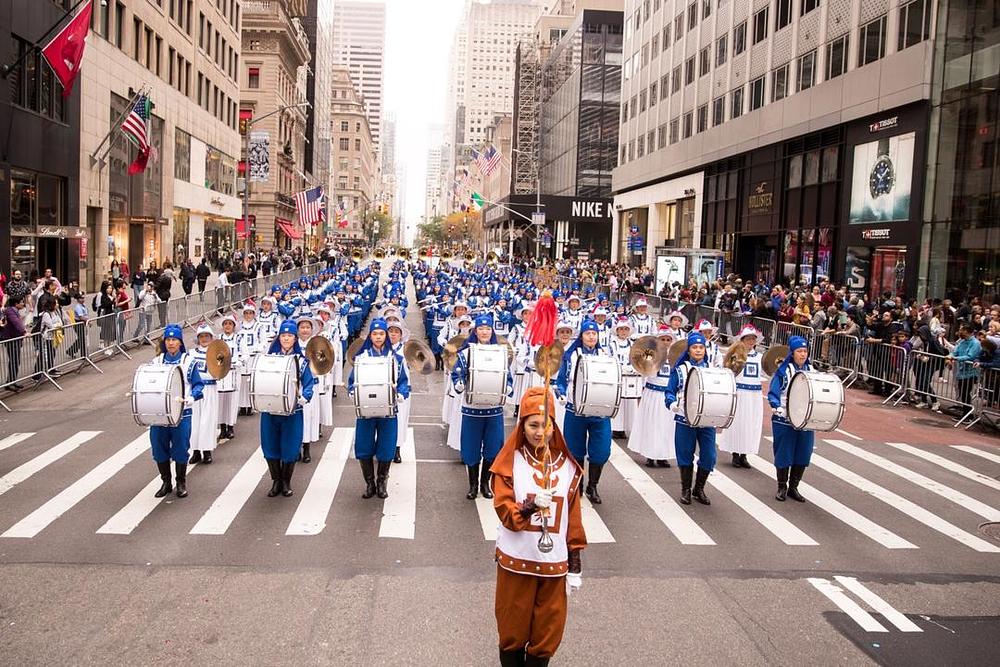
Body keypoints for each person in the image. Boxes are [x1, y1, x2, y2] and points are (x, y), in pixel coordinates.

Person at [491, 386, 586, 666]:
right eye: (533, 425)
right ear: (522, 426)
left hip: (554, 564)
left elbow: (574, 519)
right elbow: (505, 511)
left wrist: (575, 563)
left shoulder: (568, 468)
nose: (539, 432)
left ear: (554, 427)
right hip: (516, 561)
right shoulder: (510, 463)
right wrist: (530, 505)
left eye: (546, 425)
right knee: (512, 630)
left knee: (547, 633)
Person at [452, 314, 512, 500]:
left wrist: (507, 387)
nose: (484, 332)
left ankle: (485, 483)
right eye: (481, 329)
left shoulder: (500, 352)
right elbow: (457, 374)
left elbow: (507, 376)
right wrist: (459, 383)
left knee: (492, 448)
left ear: (492, 331)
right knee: (471, 448)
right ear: (475, 331)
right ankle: (473, 485)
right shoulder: (466, 352)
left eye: (487, 329)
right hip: (472, 409)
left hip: (493, 409)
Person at [348, 319, 411, 499]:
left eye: (381, 334)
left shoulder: (396, 359)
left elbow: (404, 382)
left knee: (386, 446)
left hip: (388, 410)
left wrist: (401, 393)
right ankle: (369, 483)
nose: (378, 337)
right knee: (364, 446)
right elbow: (353, 381)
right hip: (366, 411)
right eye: (375, 334)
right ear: (370, 336)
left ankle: (382, 481)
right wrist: (353, 392)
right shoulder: (361, 358)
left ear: (386, 336)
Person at [555, 319, 611, 505]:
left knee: (601, 451)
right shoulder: (571, 354)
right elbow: (561, 380)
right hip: (576, 409)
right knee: (574, 449)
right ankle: (577, 485)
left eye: (594, 333)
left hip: (599, 409)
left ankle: (592, 485)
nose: (591, 336)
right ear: (582, 336)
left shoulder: (605, 354)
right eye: (588, 333)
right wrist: (561, 394)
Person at [260, 319, 317, 498]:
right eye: (283, 335)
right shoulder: (268, 358)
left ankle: (286, 481)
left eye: (290, 336)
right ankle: (275, 480)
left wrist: (304, 397)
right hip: (271, 409)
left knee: (290, 446)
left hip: (293, 410)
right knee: (270, 445)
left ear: (295, 338)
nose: (286, 339)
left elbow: (308, 384)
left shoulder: (301, 361)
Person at [149, 325, 205, 498]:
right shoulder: (157, 361)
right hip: (160, 413)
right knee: (158, 447)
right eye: (168, 340)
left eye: (174, 340)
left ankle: (181, 482)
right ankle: (166, 482)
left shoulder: (189, 361)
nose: (171, 343)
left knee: (181, 448)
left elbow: (198, 385)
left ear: (180, 342)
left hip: (182, 412)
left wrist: (191, 397)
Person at [665, 331, 717, 506]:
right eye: (694, 347)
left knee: (709, 455)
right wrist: (672, 404)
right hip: (684, 417)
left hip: (706, 418)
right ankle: (686, 489)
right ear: (688, 350)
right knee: (685, 453)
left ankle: (699, 488)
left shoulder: (711, 371)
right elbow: (670, 391)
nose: (698, 350)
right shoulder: (680, 370)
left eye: (701, 347)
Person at [768, 336, 815, 502]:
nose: (803, 354)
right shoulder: (783, 371)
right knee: (784, 452)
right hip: (785, 418)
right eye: (799, 351)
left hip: (805, 419)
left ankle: (794, 487)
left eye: (805, 351)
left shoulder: (812, 371)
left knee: (803, 453)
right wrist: (776, 407)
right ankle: (782, 486)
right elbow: (773, 393)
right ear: (792, 353)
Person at [626, 325, 676, 467]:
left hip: (667, 395)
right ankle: (649, 454)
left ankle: (662, 455)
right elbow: (641, 369)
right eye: (662, 339)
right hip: (652, 393)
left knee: (666, 426)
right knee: (651, 424)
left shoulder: (675, 356)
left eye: (668, 339)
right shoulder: (649, 353)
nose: (665, 342)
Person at [718, 325, 766, 469]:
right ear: (742, 340)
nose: (751, 341)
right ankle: (735, 454)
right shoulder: (736, 355)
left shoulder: (760, 357)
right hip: (740, 393)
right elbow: (727, 370)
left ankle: (744, 454)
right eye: (748, 338)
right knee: (737, 423)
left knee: (751, 424)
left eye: (753, 339)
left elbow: (766, 372)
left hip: (754, 395)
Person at [187, 323, 221, 465]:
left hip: (210, 389)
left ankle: (207, 451)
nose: (204, 339)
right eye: (202, 336)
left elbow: (221, 372)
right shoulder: (191, 353)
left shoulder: (217, 353)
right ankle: (195, 451)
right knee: (194, 420)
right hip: (195, 390)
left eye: (207, 336)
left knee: (207, 420)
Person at [216, 314, 240, 440]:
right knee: (220, 400)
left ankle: (230, 426)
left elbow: (243, 354)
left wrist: (236, 362)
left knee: (232, 400)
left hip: (233, 372)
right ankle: (222, 427)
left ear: (234, 326)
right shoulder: (218, 339)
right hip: (221, 373)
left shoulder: (239, 338)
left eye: (230, 324)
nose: (227, 326)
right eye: (225, 324)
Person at [1, 297, 28, 389]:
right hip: (11, 338)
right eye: (21, 302)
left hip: (15, 338)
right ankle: (10, 382)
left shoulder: (13, 310)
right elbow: (16, 322)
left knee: (15, 360)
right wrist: (24, 331)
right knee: (14, 360)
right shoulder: (10, 311)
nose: (23, 304)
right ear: (16, 304)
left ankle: (12, 380)